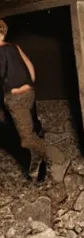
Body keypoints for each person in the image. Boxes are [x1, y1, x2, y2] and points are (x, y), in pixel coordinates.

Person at [0, 19, 46, 180]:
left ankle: (52, 154)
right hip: (28, 93)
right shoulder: (14, 47)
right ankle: (37, 163)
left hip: (17, 99)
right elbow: (29, 65)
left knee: (26, 140)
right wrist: (31, 84)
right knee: (29, 129)